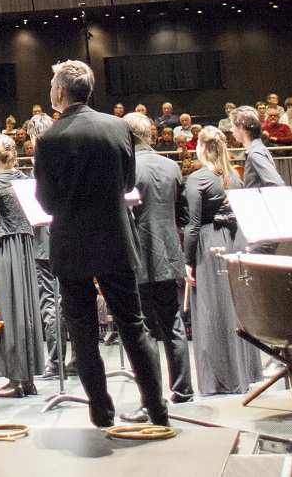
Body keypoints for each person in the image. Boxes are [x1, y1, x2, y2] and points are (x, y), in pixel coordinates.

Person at [34, 60, 171, 429]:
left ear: (61, 92)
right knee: (133, 327)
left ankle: (102, 413)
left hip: (72, 245)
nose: (50, 90)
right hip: (115, 239)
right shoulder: (117, 127)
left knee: (82, 333)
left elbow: (45, 203)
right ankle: (158, 411)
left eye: (51, 85)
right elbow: (127, 184)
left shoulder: (49, 139)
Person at [184, 126, 258, 395]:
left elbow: (192, 226)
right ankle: (243, 374)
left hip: (208, 244)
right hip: (233, 241)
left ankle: (219, 379)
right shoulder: (234, 177)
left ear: (201, 148)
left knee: (211, 311)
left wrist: (187, 261)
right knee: (233, 308)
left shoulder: (198, 179)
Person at [125, 112, 193, 403]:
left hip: (138, 254)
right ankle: (183, 390)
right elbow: (183, 214)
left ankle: (152, 399)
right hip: (168, 253)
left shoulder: (126, 169)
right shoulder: (171, 166)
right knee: (173, 324)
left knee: (145, 330)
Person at [0, 135, 44, 396]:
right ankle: (27, 379)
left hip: (4, 250)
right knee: (26, 311)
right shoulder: (26, 179)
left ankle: (15, 381)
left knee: (5, 311)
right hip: (26, 249)